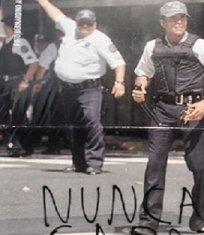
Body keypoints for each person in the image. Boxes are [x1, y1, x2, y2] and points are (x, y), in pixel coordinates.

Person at [131, 1, 204, 234]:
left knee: (200, 165)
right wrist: (140, 87)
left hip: (194, 109)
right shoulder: (152, 46)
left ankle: (199, 209)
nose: (179, 22)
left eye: (182, 18)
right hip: (162, 110)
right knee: (155, 163)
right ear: (163, 22)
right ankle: (148, 221)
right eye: (173, 18)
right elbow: (143, 72)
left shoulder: (201, 46)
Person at [36, 0, 126, 175]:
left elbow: (118, 62)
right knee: (72, 125)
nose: (84, 27)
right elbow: (55, 13)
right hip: (67, 88)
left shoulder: (100, 39)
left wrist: (119, 82)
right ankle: (78, 163)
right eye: (81, 23)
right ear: (76, 23)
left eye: (88, 24)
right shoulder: (70, 28)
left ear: (95, 24)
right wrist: (42, 1)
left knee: (92, 122)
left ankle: (94, 162)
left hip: (89, 89)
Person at [0, 14, 38, 157]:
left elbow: (33, 63)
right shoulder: (6, 42)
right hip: (5, 83)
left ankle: (23, 146)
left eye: (6, 25)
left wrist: (26, 81)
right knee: (4, 115)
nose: (4, 28)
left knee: (18, 116)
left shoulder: (20, 43)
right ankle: (14, 143)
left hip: (17, 83)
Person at [32, 32, 65, 154]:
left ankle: (54, 146)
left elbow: (42, 66)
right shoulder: (80, 44)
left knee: (55, 115)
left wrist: (37, 83)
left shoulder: (54, 46)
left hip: (58, 85)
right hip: (78, 84)